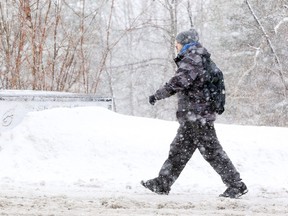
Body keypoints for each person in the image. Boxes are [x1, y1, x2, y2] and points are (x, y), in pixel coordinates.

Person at [141, 29, 248, 198]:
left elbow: (179, 81)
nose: (176, 47)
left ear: (184, 43)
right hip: (194, 116)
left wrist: (158, 95)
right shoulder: (196, 56)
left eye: (177, 44)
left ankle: (236, 185)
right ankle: (163, 183)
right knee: (179, 150)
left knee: (212, 151)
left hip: (198, 116)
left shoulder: (192, 57)